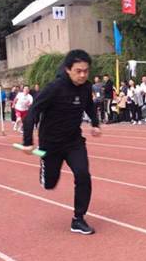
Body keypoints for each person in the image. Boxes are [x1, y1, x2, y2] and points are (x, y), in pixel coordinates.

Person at [21, 49, 101, 235]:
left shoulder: (86, 87)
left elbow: (89, 105)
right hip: (51, 144)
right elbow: (32, 112)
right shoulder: (54, 88)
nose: (83, 75)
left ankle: (78, 219)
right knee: (49, 184)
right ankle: (45, 165)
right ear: (68, 69)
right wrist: (27, 140)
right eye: (78, 71)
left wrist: (95, 124)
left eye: (86, 71)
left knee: (83, 175)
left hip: (74, 141)